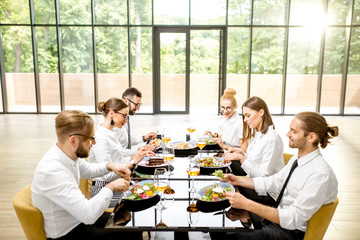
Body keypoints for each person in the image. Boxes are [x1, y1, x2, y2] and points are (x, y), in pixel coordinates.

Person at [211, 111, 339, 240]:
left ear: (311, 137)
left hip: (289, 233)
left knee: (223, 236)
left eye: (293, 131)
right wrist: (237, 180)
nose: (287, 134)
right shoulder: (298, 159)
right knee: (215, 229)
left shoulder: (320, 174)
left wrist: (246, 204)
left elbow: (293, 218)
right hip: (277, 219)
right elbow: (274, 182)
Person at [31, 110, 142, 239]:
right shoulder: (53, 171)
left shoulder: (66, 153)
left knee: (131, 219)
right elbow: (88, 215)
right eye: (91, 138)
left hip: (77, 219)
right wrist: (111, 187)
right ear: (73, 141)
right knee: (132, 232)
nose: (94, 143)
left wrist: (110, 166)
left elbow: (87, 169)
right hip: (68, 232)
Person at [88, 97, 154, 199]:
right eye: (124, 116)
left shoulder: (112, 132)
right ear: (111, 113)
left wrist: (138, 152)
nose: (126, 120)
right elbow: (107, 176)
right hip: (103, 189)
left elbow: (118, 153)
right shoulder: (100, 137)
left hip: (117, 183)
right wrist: (132, 161)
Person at [224, 96, 284, 179]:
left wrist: (241, 158)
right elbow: (254, 161)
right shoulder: (257, 134)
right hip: (253, 179)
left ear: (261, 112)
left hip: (265, 188)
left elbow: (264, 175)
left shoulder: (272, 139)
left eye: (248, 116)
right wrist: (241, 153)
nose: (245, 120)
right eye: (244, 116)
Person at [116, 87, 156, 157]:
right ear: (125, 101)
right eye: (136, 104)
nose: (138, 108)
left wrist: (144, 138)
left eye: (139, 105)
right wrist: (140, 149)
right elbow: (116, 152)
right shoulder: (115, 121)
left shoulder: (127, 117)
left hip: (126, 159)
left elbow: (126, 140)